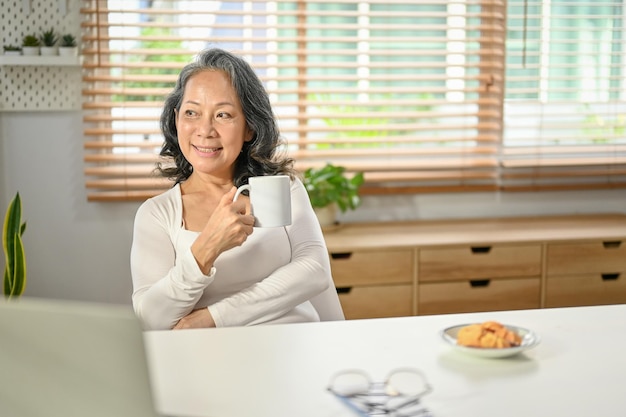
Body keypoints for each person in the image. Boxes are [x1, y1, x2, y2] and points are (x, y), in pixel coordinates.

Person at [130, 48, 333, 330]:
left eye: (223, 115)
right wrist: (207, 247)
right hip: (210, 363)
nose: (205, 130)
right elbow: (151, 317)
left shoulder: (282, 190)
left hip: (296, 349)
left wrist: (213, 318)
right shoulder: (158, 214)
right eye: (191, 113)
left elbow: (314, 271)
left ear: (249, 127)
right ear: (177, 121)